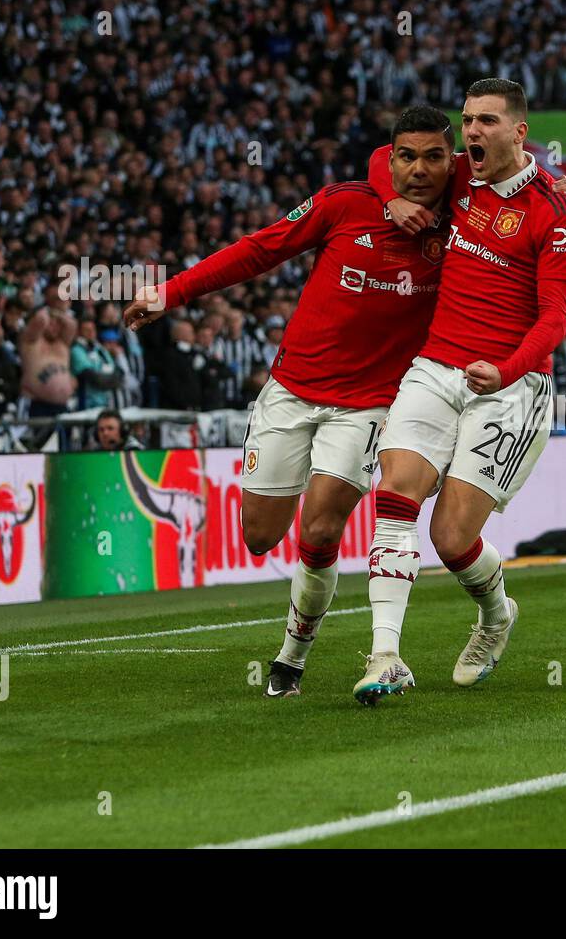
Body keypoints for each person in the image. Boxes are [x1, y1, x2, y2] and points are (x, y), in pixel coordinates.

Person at [124, 106, 460, 700]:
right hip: (291, 391)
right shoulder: (343, 203)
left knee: (322, 525)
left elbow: (527, 187)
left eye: (434, 156)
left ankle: (293, 654)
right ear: (392, 156)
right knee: (259, 536)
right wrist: (170, 292)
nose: (419, 169)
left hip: (369, 406)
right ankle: (297, 642)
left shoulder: (462, 216)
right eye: (406, 156)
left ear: (452, 159)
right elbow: (260, 250)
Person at [361, 78, 566, 702]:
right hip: (436, 367)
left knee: (450, 538)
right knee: (394, 494)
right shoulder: (461, 178)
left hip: (510, 387)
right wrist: (391, 201)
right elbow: (381, 158)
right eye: (467, 120)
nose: (471, 133)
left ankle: (496, 616)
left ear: (519, 132)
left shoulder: (558, 210)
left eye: (486, 121)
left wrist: (508, 370)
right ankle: (385, 655)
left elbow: (554, 319)